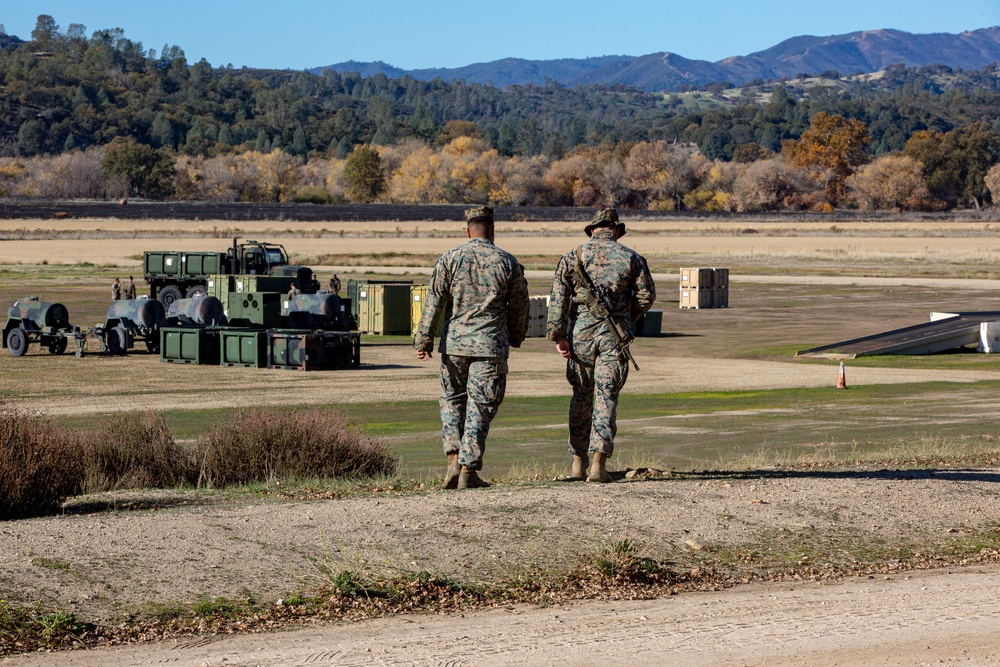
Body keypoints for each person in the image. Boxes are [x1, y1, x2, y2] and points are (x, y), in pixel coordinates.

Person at [414, 206, 529, 490]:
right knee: (480, 405)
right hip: (490, 346)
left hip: (454, 345)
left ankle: (453, 458)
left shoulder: (449, 260)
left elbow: (434, 302)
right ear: (492, 230)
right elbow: (519, 307)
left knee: (452, 400)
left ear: (468, 231)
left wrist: (423, 339)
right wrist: (516, 336)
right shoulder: (507, 262)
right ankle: (468, 469)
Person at [546, 208, 656, 483]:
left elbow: (558, 301)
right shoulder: (632, 258)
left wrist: (559, 336)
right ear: (616, 231)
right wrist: (624, 317)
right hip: (613, 337)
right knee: (606, 396)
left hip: (581, 335)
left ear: (592, 230)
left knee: (581, 396)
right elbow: (647, 296)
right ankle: (598, 465)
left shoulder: (573, 257)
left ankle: (577, 464)